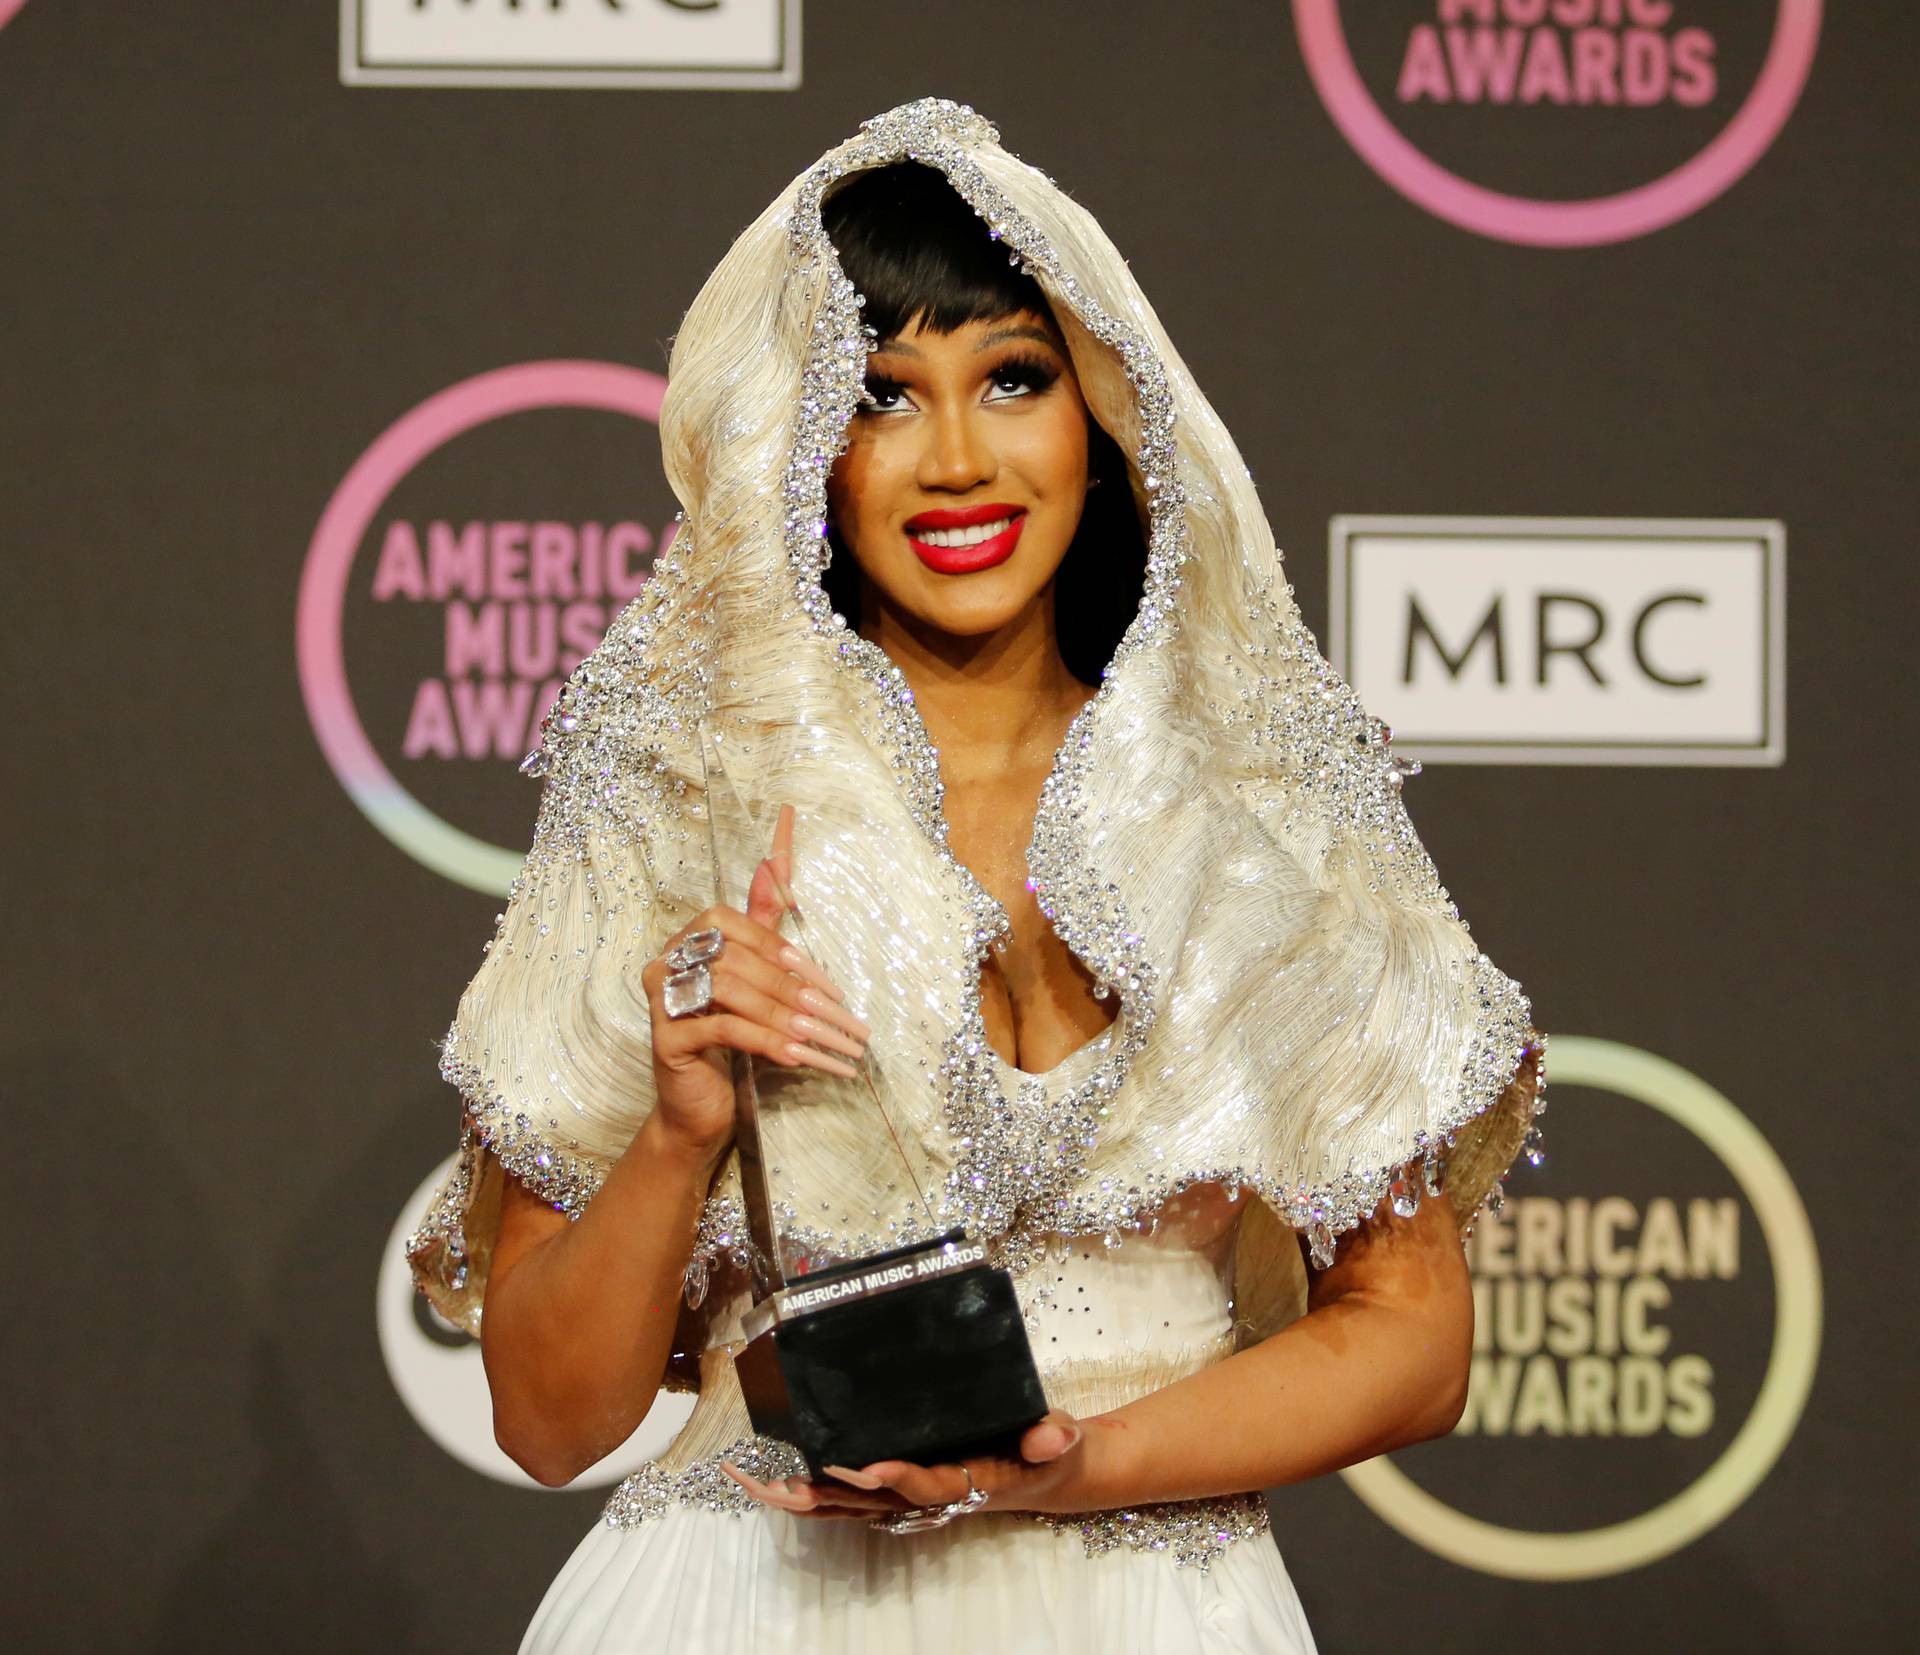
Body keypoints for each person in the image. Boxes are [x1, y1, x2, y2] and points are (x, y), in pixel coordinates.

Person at [406, 97, 1547, 1653]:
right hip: (749, 1607)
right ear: (800, 452)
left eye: (1012, 378)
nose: (957, 462)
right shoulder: (683, 793)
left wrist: (1079, 1472)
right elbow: (546, 1420)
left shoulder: (1256, 811)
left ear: (1105, 410)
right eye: (881, 399)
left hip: (1157, 1603)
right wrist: (679, 1139)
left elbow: (1414, 1342)